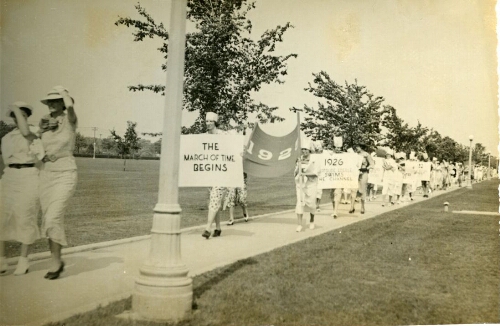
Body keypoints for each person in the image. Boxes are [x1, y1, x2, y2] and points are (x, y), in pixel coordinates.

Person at [0, 102, 44, 275]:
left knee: (26, 217)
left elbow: (38, 154)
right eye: (16, 116)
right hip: (9, 176)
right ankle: (2, 261)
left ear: (27, 117)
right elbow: (4, 161)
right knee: (1, 216)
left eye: (23, 116)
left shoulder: (33, 133)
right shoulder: (6, 138)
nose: (19, 119)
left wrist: (14, 107)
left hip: (28, 176)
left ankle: (23, 260)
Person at [39, 86, 78, 280]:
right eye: (49, 101)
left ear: (63, 102)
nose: (51, 104)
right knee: (49, 220)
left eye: (55, 101)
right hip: (46, 174)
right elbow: (38, 146)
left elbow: (70, 107)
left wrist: (62, 91)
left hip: (65, 172)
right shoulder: (45, 123)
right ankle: (56, 260)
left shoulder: (70, 120)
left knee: (53, 217)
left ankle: (56, 262)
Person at [201, 112, 228, 239]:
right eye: (206, 121)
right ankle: (218, 228)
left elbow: (232, 148)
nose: (208, 124)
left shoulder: (224, 135)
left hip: (222, 173)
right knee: (214, 200)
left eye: (210, 121)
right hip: (209, 174)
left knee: (215, 198)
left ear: (215, 122)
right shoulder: (204, 137)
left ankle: (208, 228)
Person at [294, 138, 319, 231]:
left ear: (309, 150)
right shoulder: (299, 159)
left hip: (311, 184)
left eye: (306, 149)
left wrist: (305, 173)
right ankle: (299, 224)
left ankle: (312, 221)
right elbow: (296, 172)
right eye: (302, 149)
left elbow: (316, 173)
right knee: (299, 203)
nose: (304, 151)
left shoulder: (314, 159)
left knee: (312, 204)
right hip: (300, 184)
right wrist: (297, 168)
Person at [353, 143, 374, 214]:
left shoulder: (366, 155)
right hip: (355, 173)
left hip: (363, 173)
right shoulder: (354, 155)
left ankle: (362, 207)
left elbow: (372, 164)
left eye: (357, 147)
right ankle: (352, 206)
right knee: (353, 189)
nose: (356, 149)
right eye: (355, 147)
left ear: (361, 147)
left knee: (362, 190)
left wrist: (365, 169)